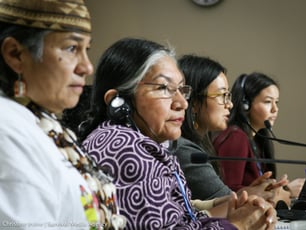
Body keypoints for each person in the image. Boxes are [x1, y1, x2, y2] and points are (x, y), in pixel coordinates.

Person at [79, 37, 277, 229]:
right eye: (164, 88)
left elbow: (184, 220)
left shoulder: (139, 143)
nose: (182, 103)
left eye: (182, 89)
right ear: (118, 100)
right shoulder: (126, 148)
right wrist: (238, 226)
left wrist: (239, 211)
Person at [0, 0, 125, 229]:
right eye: (71, 48)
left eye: (86, 49)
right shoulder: (6, 129)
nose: (87, 67)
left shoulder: (39, 121)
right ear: (16, 54)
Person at [175, 54, 289, 207]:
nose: (230, 104)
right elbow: (228, 205)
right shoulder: (184, 150)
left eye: (228, 95)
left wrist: (254, 190)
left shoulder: (202, 143)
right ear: (194, 102)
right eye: (222, 95)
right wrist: (273, 194)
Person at [213, 72, 305, 201]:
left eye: (276, 102)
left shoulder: (258, 139)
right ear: (246, 105)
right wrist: (286, 190)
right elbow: (228, 192)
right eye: (268, 102)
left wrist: (277, 186)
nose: (275, 109)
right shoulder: (236, 137)